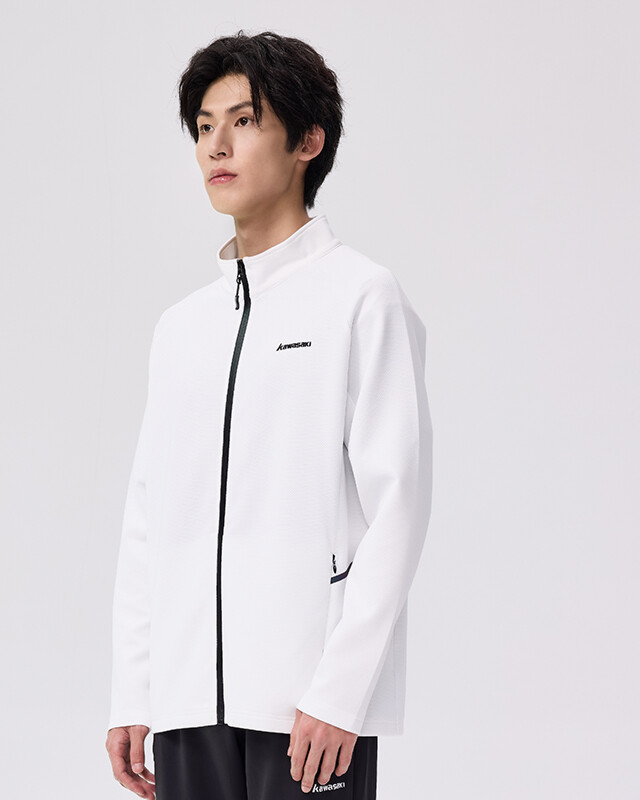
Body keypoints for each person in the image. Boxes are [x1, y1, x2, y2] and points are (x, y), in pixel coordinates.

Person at [104, 29, 433, 800]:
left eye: (244, 121)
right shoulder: (181, 328)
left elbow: (399, 505)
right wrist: (135, 691)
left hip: (306, 707)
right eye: (203, 127)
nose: (216, 145)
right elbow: (149, 516)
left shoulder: (361, 297)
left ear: (308, 141)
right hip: (187, 704)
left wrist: (342, 692)